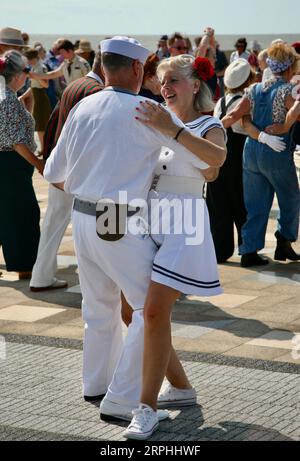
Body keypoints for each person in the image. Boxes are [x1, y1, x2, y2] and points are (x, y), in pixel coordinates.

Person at [43, 36, 225, 425]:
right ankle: (125, 399)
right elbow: (207, 163)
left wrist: (92, 188)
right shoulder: (148, 109)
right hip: (120, 217)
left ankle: (97, 383)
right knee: (145, 309)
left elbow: (53, 174)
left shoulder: (83, 106)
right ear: (138, 69)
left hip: (85, 215)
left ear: (103, 65)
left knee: (100, 307)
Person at [124, 55, 227, 440]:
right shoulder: (157, 121)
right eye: (161, 81)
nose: (164, 87)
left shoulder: (208, 124)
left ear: (195, 84)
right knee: (129, 309)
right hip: (147, 220)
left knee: (152, 311)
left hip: (184, 225)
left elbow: (215, 164)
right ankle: (181, 388)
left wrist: (173, 129)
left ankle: (146, 408)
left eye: (173, 81)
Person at [30, 52, 104, 293]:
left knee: (54, 221)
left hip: (61, 165)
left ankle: (40, 276)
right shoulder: (94, 90)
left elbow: (54, 121)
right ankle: (98, 282)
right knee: (94, 225)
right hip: (75, 170)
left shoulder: (76, 85)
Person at [222, 43, 300, 266]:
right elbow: (296, 113)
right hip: (276, 151)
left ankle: (249, 251)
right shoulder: (287, 90)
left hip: (251, 151)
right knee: (290, 197)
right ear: (288, 67)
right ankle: (284, 241)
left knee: (255, 203)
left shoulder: (254, 89)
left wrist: (216, 127)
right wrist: (284, 127)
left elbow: (235, 113)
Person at [207, 59, 285, 263]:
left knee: (219, 206)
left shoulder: (220, 102)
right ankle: (247, 250)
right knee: (243, 204)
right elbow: (247, 126)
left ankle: (219, 250)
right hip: (239, 156)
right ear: (248, 79)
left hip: (219, 154)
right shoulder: (245, 101)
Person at [0, 51, 43, 279]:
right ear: (17, 76)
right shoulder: (7, 99)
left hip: (5, 164)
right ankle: (25, 266)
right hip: (10, 165)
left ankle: (23, 264)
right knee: (23, 215)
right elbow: (16, 142)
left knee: (5, 214)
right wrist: (40, 164)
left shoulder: (5, 96)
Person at [23, 48, 52, 153]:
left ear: (34, 58)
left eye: (29, 59)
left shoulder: (41, 67)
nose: (28, 62)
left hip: (41, 97)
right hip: (35, 96)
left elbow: (46, 84)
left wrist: (35, 76)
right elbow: (33, 86)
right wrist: (23, 97)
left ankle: (44, 148)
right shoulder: (34, 67)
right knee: (39, 126)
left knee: (41, 126)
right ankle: (43, 148)